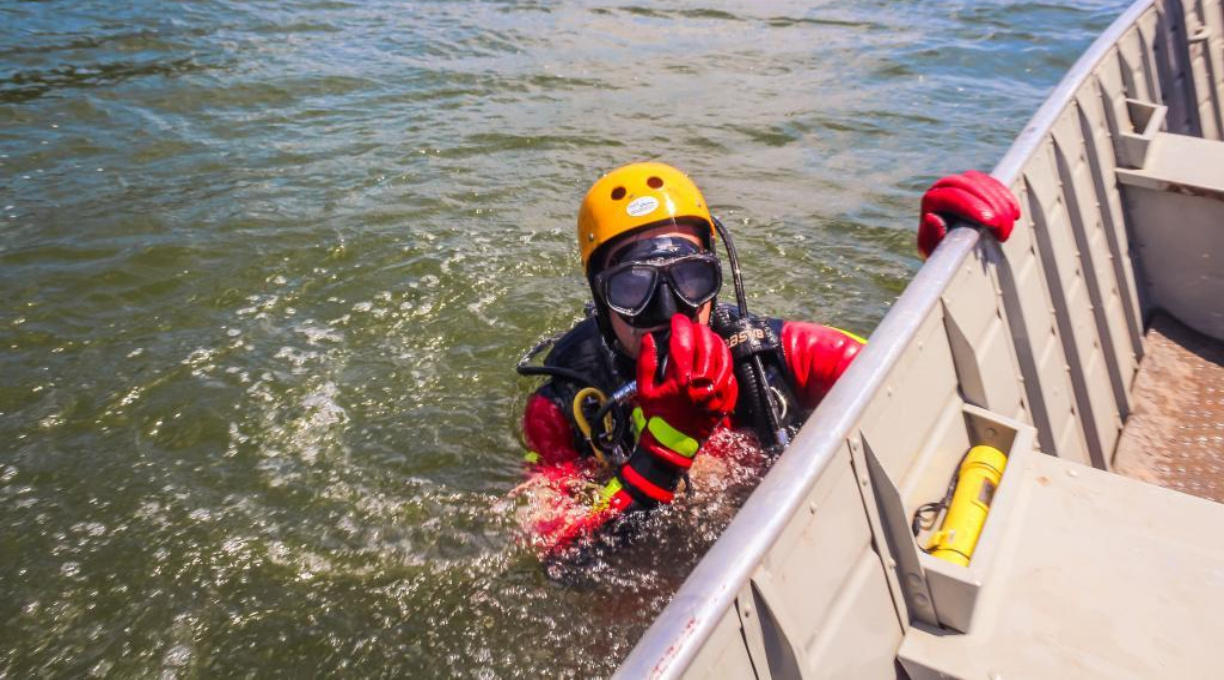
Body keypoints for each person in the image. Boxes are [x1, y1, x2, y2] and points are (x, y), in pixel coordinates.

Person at [515, 162, 1018, 557]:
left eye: (691, 278)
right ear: (601, 301)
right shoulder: (565, 405)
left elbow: (918, 378)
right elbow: (554, 555)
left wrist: (948, 271)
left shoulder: (776, 353)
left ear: (717, 274)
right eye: (633, 287)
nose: (669, 310)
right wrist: (662, 454)